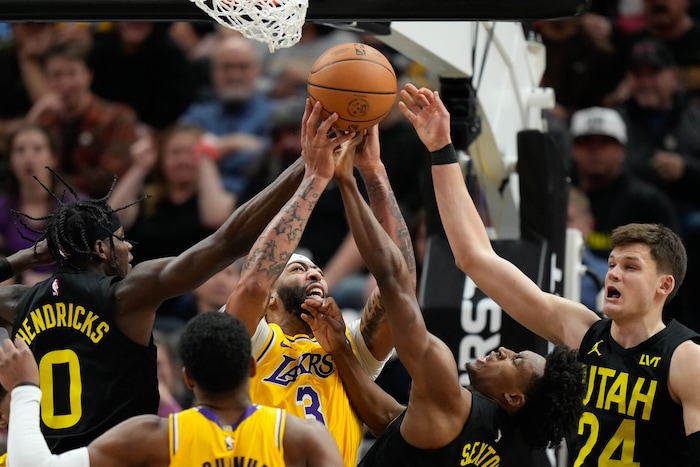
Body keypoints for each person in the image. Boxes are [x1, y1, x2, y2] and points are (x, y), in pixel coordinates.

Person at [400, 82, 700, 466]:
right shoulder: (582, 332)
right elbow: (474, 258)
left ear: (665, 285)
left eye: (630, 267)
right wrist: (441, 148)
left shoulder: (684, 358)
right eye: (611, 265)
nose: (614, 275)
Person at [0, 115, 316, 453]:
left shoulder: (18, 302)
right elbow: (229, 241)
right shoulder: (125, 296)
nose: (128, 247)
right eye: (120, 239)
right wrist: (307, 163)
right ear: (100, 249)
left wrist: (23, 259)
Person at [298, 135, 585, 466]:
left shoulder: (447, 392)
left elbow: (395, 281)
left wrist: (357, 178)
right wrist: (340, 351)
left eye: (517, 360)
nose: (506, 350)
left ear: (514, 398)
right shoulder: (532, 458)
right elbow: (390, 420)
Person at [223, 100, 413, 466]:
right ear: (271, 302)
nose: (315, 273)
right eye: (298, 270)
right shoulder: (251, 341)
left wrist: (370, 172)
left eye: (317, 271)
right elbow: (253, 283)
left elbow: (399, 286)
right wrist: (315, 178)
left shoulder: (349, 349)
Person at [0, 311, 344, 467]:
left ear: (188, 378)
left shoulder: (152, 437)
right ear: (252, 368)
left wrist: (25, 388)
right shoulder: (303, 437)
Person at [26, 40, 139, 199]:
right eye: (56, 75)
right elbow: (22, 166)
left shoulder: (117, 117)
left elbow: (110, 177)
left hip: (101, 209)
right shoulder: (43, 121)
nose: (65, 83)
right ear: (47, 80)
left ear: (89, 75)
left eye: (72, 73)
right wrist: (34, 115)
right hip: (47, 208)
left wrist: (54, 185)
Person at [569, 105, 681, 259]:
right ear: (573, 150)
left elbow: (669, 262)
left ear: (621, 150)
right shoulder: (559, 200)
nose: (595, 150)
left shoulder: (649, 203)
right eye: (586, 143)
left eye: (605, 143)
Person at [179, 34, 275, 197]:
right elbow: (181, 157)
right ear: (213, 71)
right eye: (227, 67)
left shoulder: (273, 113)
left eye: (242, 67)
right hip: (200, 201)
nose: (234, 75)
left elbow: (278, 156)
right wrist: (239, 144)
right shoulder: (198, 114)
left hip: (260, 199)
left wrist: (219, 148)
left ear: (257, 70)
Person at [0, 124, 80, 285]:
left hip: (66, 292)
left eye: (37, 149)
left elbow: (90, 267)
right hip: (18, 295)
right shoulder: (3, 207)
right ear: (10, 160)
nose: (28, 158)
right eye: (20, 150)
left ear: (54, 158)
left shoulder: (76, 207)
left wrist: (47, 281)